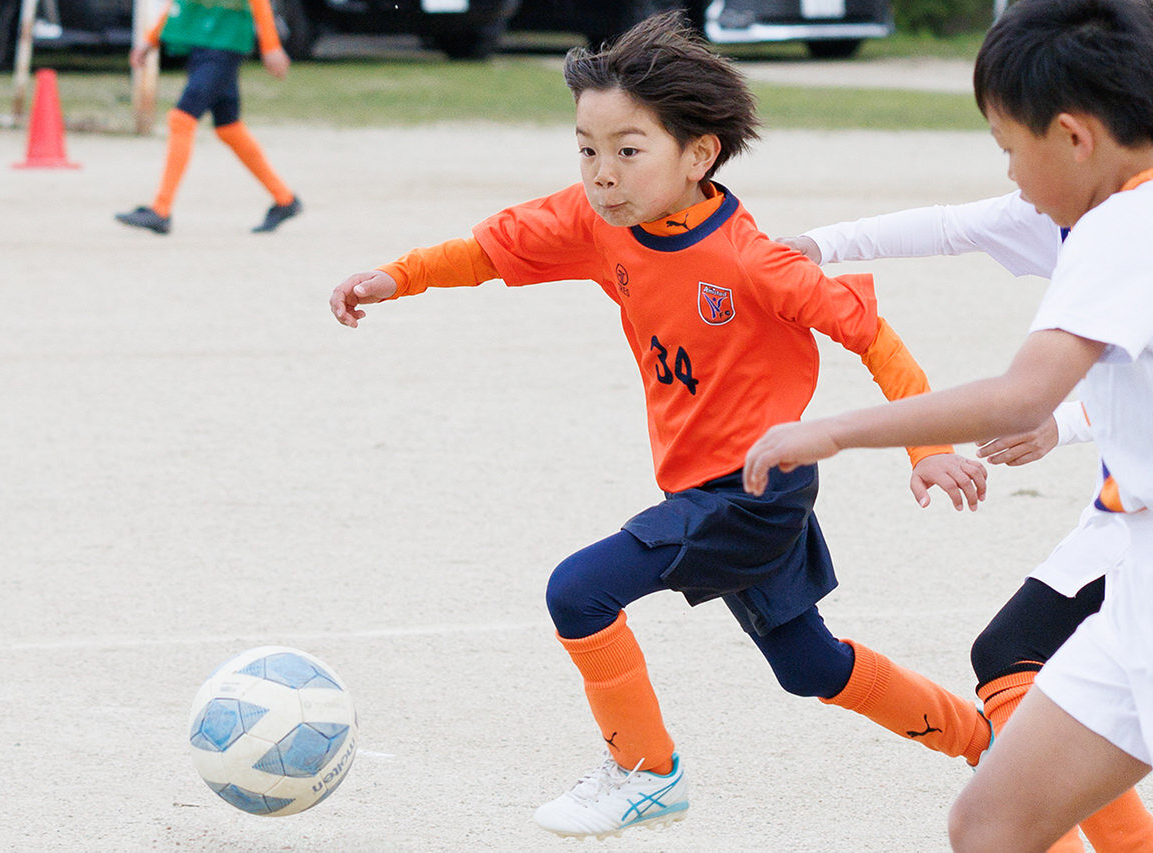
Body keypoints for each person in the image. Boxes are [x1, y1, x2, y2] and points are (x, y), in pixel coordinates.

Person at [330, 12, 995, 840]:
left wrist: (926, 450)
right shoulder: (598, 222)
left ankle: (647, 773)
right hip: (713, 485)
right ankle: (988, 742)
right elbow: (492, 249)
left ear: (700, 154)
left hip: (756, 491)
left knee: (578, 590)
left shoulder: (754, 261)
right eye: (586, 148)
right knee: (809, 665)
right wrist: (395, 277)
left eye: (628, 150)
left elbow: (874, 337)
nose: (602, 173)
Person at [743, 0, 1153, 849]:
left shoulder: (1125, 227)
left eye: (1008, 147)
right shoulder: (1135, 211)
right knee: (992, 821)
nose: (1011, 173)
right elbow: (956, 228)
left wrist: (833, 429)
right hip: (1140, 581)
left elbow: (1024, 395)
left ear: (1074, 136)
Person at [115, 0, 302, 235]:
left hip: (224, 44)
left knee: (181, 118)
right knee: (229, 127)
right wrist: (150, 40)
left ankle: (160, 211)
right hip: (204, 41)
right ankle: (285, 200)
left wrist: (271, 46)